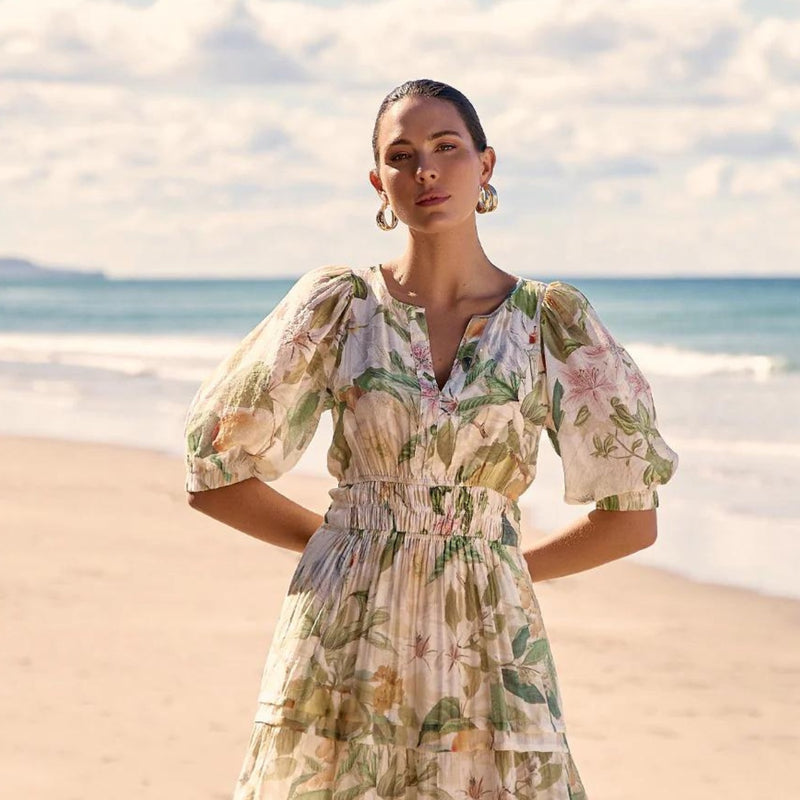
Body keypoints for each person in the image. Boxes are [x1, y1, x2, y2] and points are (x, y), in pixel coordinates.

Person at [184, 78, 678, 800]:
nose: (426, 171)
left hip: (492, 636)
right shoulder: (339, 308)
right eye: (402, 154)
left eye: (447, 148)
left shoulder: (551, 322)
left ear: (486, 165)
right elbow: (215, 469)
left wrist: (490, 564)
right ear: (378, 181)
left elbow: (631, 518)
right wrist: (351, 544)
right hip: (343, 628)